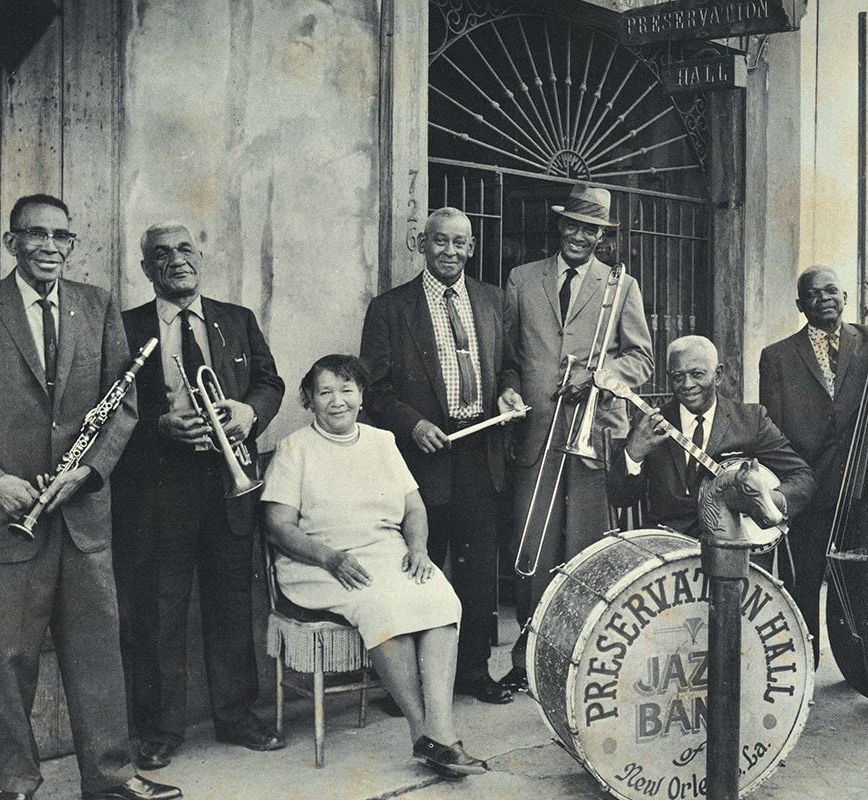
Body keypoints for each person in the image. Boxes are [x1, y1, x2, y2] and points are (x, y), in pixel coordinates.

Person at [0, 194, 181, 800]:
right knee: (7, 661)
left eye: (62, 236)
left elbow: (123, 404)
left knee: (97, 654)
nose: (51, 246)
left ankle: (109, 779)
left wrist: (90, 471)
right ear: (11, 243)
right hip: (2, 517)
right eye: (37, 235)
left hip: (81, 511)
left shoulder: (95, 305)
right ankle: (17, 783)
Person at [262, 354, 488, 780]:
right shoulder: (295, 449)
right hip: (320, 563)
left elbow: (414, 507)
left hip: (386, 552)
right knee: (383, 604)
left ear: (361, 395)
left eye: (347, 390)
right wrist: (329, 557)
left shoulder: (382, 441)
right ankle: (425, 733)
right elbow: (277, 526)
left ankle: (439, 732)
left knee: (440, 595)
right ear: (308, 400)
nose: (337, 401)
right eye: (325, 392)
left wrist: (418, 550)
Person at [111, 221, 286, 770]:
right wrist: (159, 427)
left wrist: (249, 412)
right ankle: (160, 730)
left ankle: (237, 717)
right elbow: (110, 411)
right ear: (146, 269)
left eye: (185, 248)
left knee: (233, 603)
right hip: (157, 491)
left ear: (200, 256)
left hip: (229, 484)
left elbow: (270, 382)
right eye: (160, 254)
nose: (175, 259)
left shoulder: (237, 319)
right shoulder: (122, 327)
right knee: (158, 611)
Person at [360, 207, 526, 705]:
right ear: (422, 244)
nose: (450, 252)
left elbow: (510, 367)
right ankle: (408, 685)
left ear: (471, 248)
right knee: (420, 566)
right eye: (440, 242)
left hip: (482, 450)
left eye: (459, 243)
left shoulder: (494, 301)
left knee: (477, 573)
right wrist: (413, 424)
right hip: (422, 457)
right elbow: (375, 389)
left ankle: (474, 673)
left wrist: (508, 395)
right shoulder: (390, 308)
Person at [498, 183, 653, 690]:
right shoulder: (522, 279)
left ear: (602, 237)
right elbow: (511, 360)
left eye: (593, 229)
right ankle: (528, 654)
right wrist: (509, 390)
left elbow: (642, 358)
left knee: (583, 545)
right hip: (535, 436)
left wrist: (602, 374)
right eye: (574, 225)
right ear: (560, 225)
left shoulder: (619, 286)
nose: (581, 236)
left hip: (590, 437)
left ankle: (575, 656)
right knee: (532, 546)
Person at [758, 265, 868, 667]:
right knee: (804, 584)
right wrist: (792, 484)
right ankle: (803, 670)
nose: (824, 298)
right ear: (801, 305)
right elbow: (772, 432)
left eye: (831, 290)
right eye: (813, 294)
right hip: (810, 489)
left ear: (846, 297)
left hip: (866, 488)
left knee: (867, 583)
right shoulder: (776, 356)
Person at [607, 336, 814, 543]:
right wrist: (634, 453)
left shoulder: (751, 421)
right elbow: (620, 498)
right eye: (678, 377)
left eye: (697, 374)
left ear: (718, 375)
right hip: (669, 545)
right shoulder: (649, 424)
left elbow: (802, 477)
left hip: (738, 542)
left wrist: (766, 499)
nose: (687, 385)